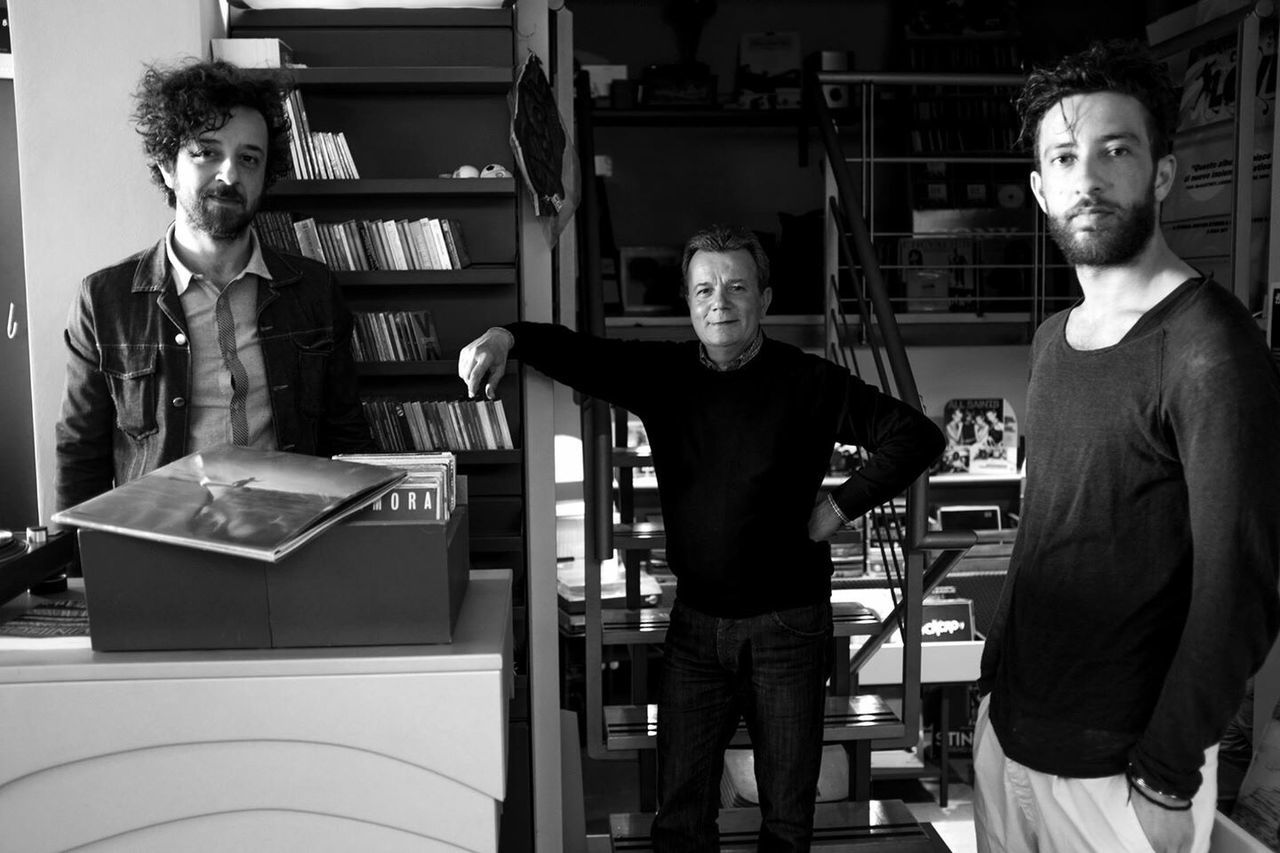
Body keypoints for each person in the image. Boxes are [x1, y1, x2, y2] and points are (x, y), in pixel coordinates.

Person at [460, 224, 943, 851]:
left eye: (738, 287)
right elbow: (582, 354)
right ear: (688, 303)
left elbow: (916, 436)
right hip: (694, 626)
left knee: (787, 820)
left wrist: (839, 508)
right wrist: (508, 338)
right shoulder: (664, 376)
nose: (721, 301)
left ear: (765, 300)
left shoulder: (809, 382)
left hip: (788, 627)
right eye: (705, 289)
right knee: (680, 818)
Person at [974, 40, 1280, 853]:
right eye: (1066, 157)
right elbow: (1049, 529)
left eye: (1117, 150)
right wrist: (991, 687)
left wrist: (1169, 772)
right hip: (1010, 737)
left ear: (1164, 175)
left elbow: (1241, 583)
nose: (1089, 177)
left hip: (1122, 772)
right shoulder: (1053, 338)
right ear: (1040, 188)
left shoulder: (1210, 349)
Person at [55, 60, 372, 511]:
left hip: (294, 540)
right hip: (159, 549)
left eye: (248, 158)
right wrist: (82, 574)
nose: (229, 175)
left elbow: (347, 438)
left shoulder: (313, 290)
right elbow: (80, 456)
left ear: (265, 176)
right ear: (167, 166)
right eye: (206, 152)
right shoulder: (104, 301)